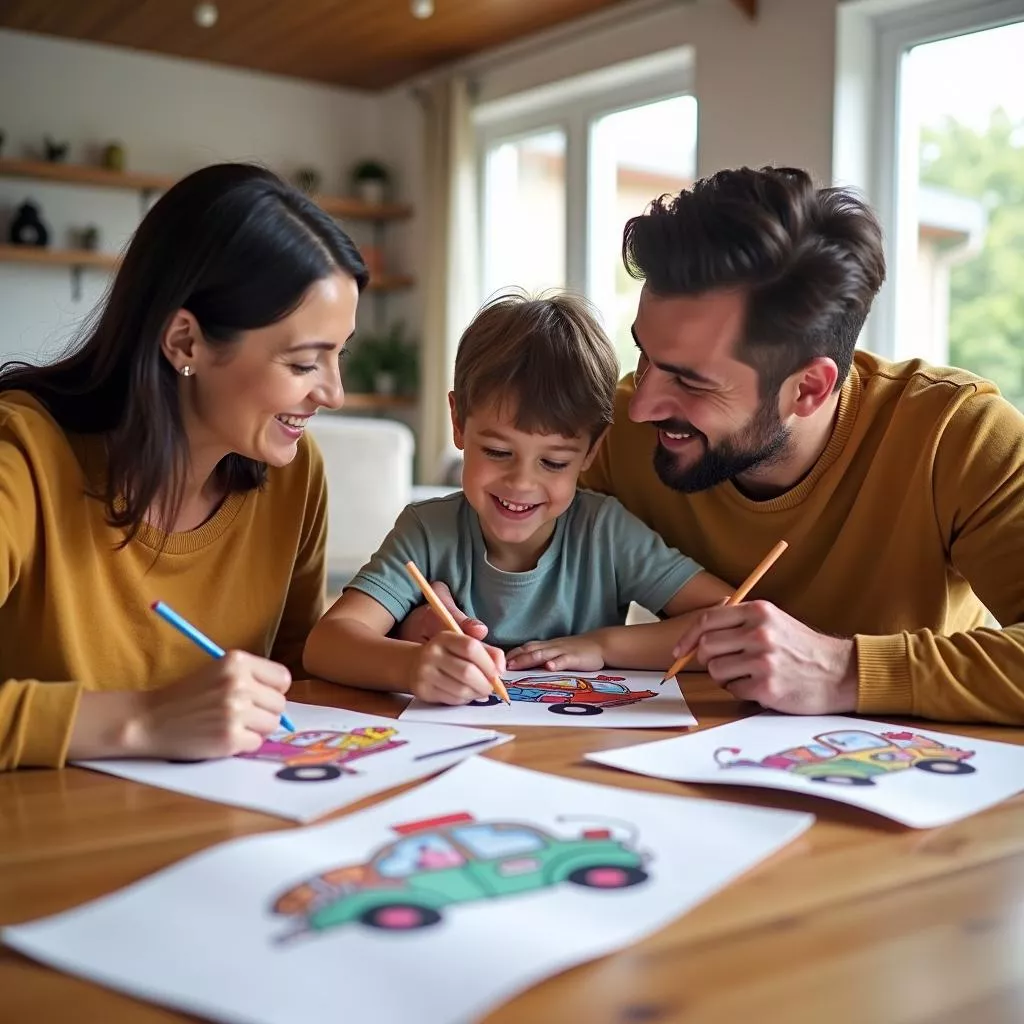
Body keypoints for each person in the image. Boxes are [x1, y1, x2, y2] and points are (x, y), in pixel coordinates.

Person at [404, 166, 1024, 725]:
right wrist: (422, 625)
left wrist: (843, 670)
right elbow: (512, 589)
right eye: (644, 357)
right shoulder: (612, 429)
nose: (641, 405)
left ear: (808, 388)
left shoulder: (958, 436)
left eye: (690, 380)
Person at [0, 162, 368, 770]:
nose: (333, 393)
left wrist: (394, 650)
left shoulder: (294, 475)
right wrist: (145, 720)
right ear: (185, 343)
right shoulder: (23, 457)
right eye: (305, 363)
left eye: (340, 356)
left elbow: (297, 669)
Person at [303, 293, 732, 704]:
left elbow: (730, 620)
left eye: (554, 463)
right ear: (457, 422)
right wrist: (413, 665)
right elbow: (327, 644)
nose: (521, 483)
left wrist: (603, 646)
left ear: (592, 450)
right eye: (498, 452)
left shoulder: (605, 531)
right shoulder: (427, 530)